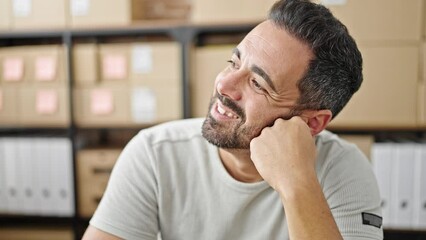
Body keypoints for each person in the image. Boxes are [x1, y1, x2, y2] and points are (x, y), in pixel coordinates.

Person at [83, 0, 383, 239]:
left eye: (258, 84)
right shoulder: (154, 152)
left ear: (312, 123)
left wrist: (298, 184)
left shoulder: (344, 170)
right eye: (233, 62)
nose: (224, 85)